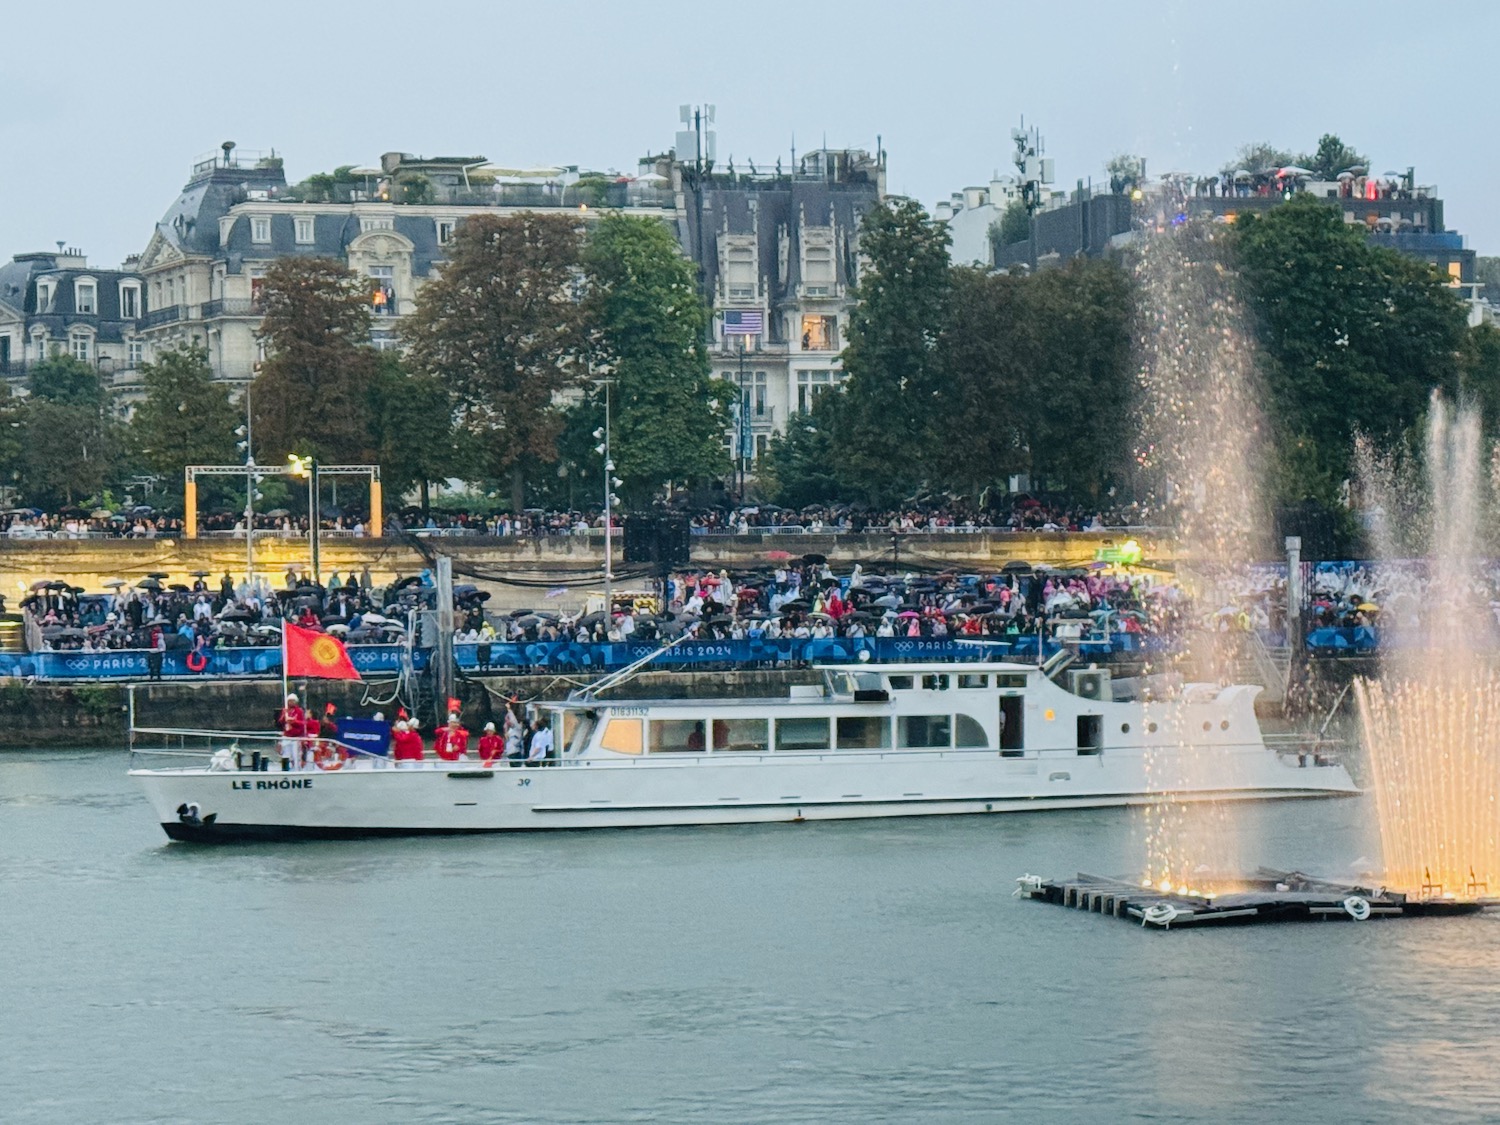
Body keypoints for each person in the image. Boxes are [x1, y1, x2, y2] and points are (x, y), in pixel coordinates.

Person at [277, 693, 306, 770]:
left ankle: (297, 769)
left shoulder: (299, 711)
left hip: (295, 737)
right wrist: (284, 715)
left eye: (293, 701)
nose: (291, 703)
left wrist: (294, 721)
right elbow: (280, 722)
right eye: (290, 701)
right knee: (285, 754)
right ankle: (286, 769)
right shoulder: (285, 710)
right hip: (286, 736)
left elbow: (302, 723)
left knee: (296, 755)